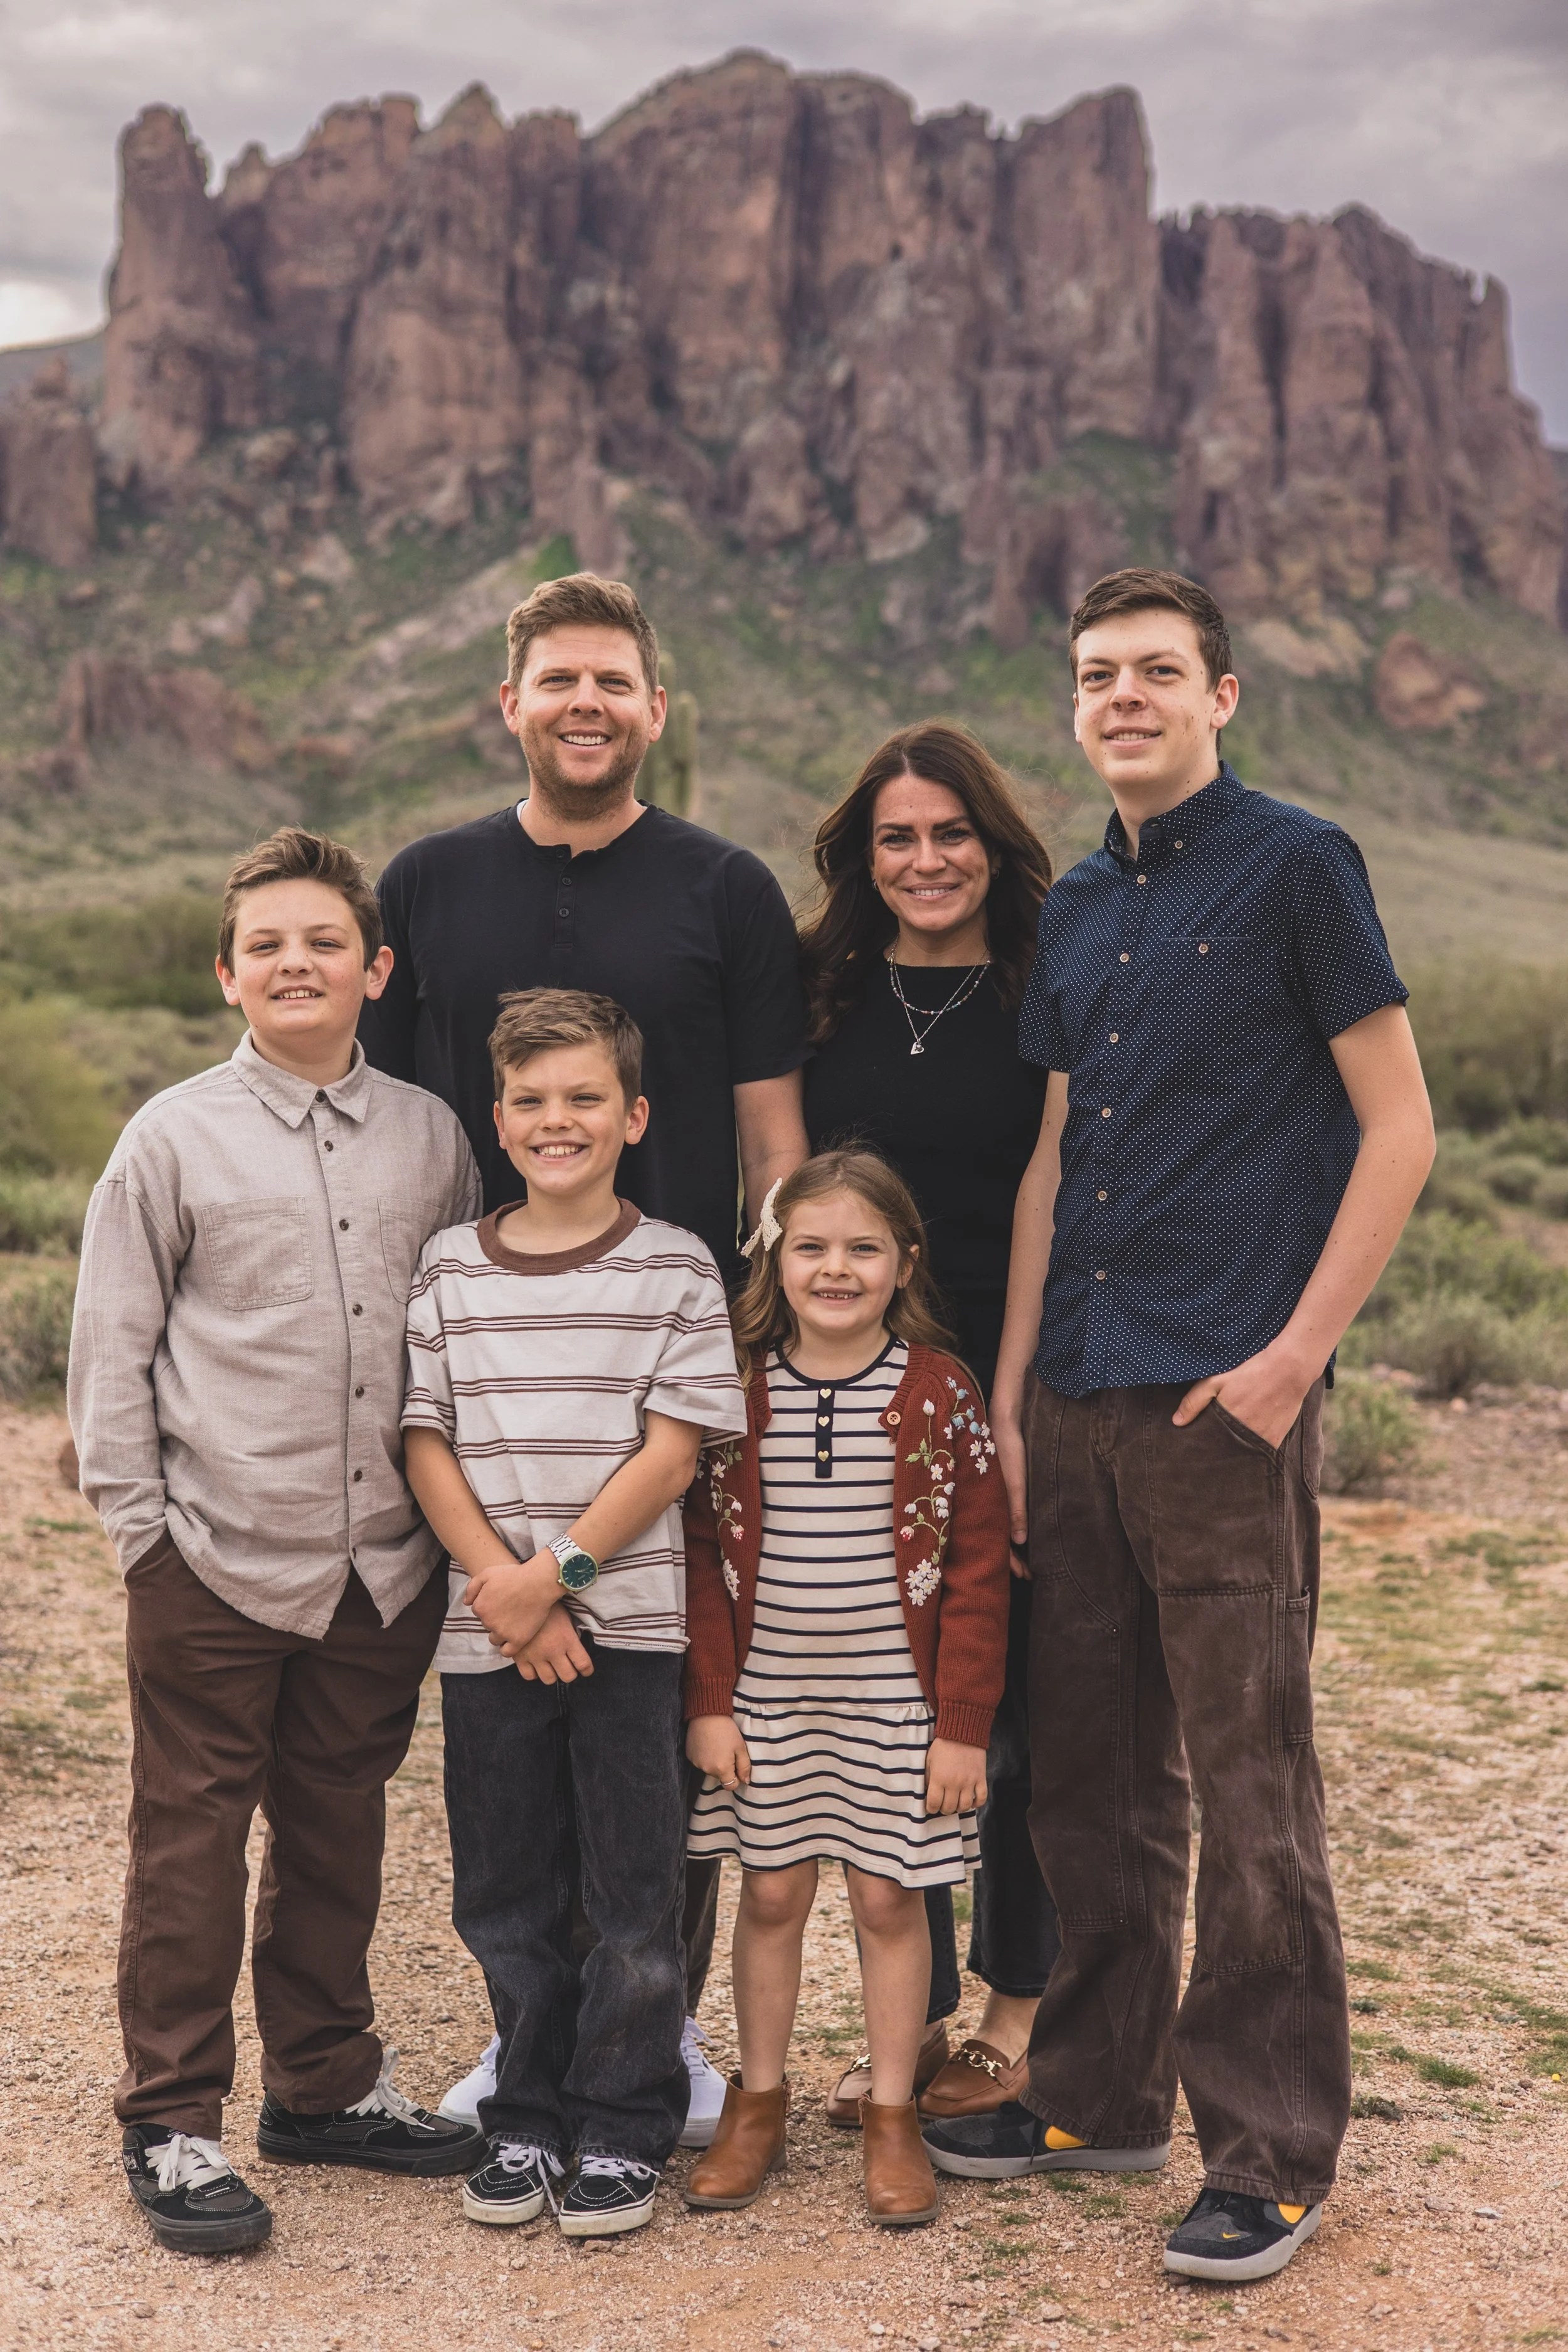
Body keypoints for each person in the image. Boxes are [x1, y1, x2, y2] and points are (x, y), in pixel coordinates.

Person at [922, 569, 1436, 2288]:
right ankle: (1093, 2088)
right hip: (1072, 1387)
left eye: (1153, 670)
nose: (1120, 695)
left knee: (1244, 1772)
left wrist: (1296, 1355)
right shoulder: (1069, 903)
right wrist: (1006, 1387)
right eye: (1092, 675)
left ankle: (1269, 2147)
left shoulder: (1299, 865)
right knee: (1086, 1765)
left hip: (1227, 1388)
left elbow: (1399, 1123)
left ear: (1221, 694)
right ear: (1071, 708)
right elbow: (1053, 1159)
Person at [359, 569, 809, 2141]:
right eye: (558, 680)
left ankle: (653, 2037)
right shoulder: (424, 885)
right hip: (479, 1359)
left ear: (654, 709)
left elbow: (770, 1139)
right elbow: (397, 1115)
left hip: (663, 1352)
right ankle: (529, 2045)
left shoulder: (724, 888)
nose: (585, 705)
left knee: (650, 1716)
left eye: (613, 682)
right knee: (510, 1743)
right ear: (512, 703)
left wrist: (758, 1346)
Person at [68, 827, 486, 2257]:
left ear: (374, 968)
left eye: (323, 943)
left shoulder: (436, 1136)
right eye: (266, 946)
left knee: (337, 1827)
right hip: (215, 1553)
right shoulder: (170, 1138)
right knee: (190, 1839)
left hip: (381, 1563)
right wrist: (146, 1540)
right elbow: (109, 1355)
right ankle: (173, 2123)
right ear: (227, 974)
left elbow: (454, 1339)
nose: (294, 964)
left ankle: (324, 2088)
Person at [401, 987, 748, 2238]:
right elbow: (424, 1441)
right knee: (504, 1891)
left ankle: (619, 2125)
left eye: (584, 1099)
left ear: (632, 1114)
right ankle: (528, 2116)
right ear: (498, 1119)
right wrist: (507, 1595)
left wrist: (557, 1580)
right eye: (533, 1102)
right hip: (487, 1637)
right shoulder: (448, 1266)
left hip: (629, 1633)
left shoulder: (675, 1265)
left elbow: (671, 1457)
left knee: (632, 1896)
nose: (559, 1122)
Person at [799, 721, 1061, 2126]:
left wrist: (1005, 1405)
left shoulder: (1045, 987)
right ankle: (925, 2011)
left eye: (950, 833)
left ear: (992, 844)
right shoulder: (820, 991)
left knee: (1009, 1705)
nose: (924, 861)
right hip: (850, 1389)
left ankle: (1017, 2017)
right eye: (896, 838)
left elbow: (1050, 1193)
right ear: (863, 855)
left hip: (1009, 1378)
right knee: (893, 1701)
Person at [681, 1151, 1011, 2227]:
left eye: (863, 1247)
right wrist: (710, 1702)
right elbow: (694, 1554)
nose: (836, 1267)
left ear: (903, 1261)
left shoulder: (938, 1391)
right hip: (767, 1695)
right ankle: (758, 2103)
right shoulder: (734, 1387)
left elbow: (973, 1569)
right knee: (772, 1892)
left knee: (886, 1896)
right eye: (810, 1245)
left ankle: (893, 2115)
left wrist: (960, 1726)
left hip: (897, 1705)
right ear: (775, 1258)